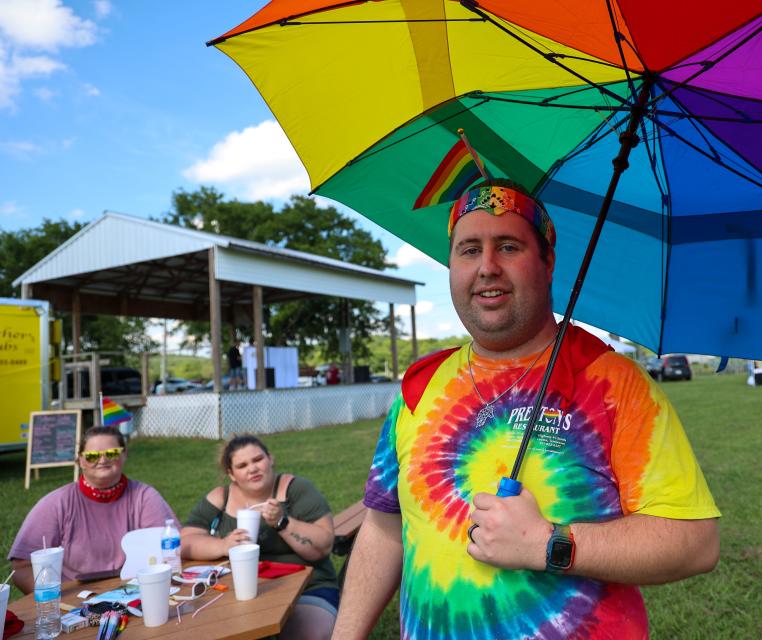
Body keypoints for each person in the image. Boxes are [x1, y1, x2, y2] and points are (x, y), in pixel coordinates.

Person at [333, 180, 721, 639]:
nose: (487, 267)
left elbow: (695, 542)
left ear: (548, 262)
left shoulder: (613, 384)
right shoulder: (420, 387)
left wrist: (549, 544)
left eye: (509, 246)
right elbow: (382, 527)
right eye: (469, 249)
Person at [180, 434, 338, 640]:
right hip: (240, 591)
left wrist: (283, 522)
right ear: (232, 474)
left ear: (270, 459)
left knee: (305, 635)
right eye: (242, 465)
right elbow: (185, 541)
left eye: (257, 460)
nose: (252, 468)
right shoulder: (221, 497)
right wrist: (223, 545)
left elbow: (323, 547)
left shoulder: (295, 489)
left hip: (308, 588)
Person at [7, 425, 178, 593]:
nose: (102, 460)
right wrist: (56, 599)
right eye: (92, 456)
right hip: (74, 601)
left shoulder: (144, 496)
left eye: (111, 453)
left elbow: (173, 547)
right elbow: (22, 566)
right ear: (81, 460)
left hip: (137, 592)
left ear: (124, 454)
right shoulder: (55, 503)